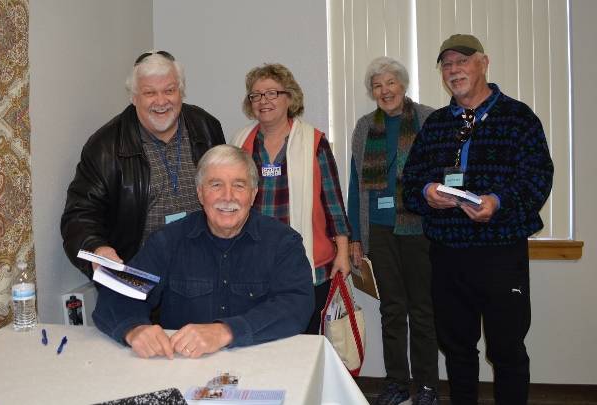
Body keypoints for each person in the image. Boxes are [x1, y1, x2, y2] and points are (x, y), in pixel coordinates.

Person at [402, 34, 554, 404]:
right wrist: (427, 194)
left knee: (507, 351)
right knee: (456, 350)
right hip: (447, 254)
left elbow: (537, 178)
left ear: (483, 63)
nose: (454, 71)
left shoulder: (518, 117)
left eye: (462, 62)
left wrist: (497, 202)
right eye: (447, 65)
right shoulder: (436, 124)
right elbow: (409, 184)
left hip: (500, 254)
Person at [92, 145, 315, 358]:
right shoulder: (167, 241)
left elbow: (297, 305)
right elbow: (116, 294)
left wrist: (226, 331)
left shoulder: (284, 242)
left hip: (263, 365)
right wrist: (134, 330)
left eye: (239, 185)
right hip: (185, 367)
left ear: (254, 193)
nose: (228, 197)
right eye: (215, 185)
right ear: (200, 193)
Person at [61, 50, 225, 278]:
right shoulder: (104, 147)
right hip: (140, 277)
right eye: (150, 93)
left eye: (169, 90)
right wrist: (97, 249)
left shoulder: (206, 128)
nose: (161, 101)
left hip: (205, 272)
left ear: (181, 92)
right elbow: (79, 216)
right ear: (134, 97)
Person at [232, 63, 351, 334]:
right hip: (252, 264)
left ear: (289, 97)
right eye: (256, 95)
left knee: (304, 343)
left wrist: (342, 252)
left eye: (272, 93)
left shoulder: (314, 141)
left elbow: (333, 201)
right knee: (258, 339)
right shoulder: (239, 142)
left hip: (307, 265)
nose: (264, 101)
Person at [348, 57, 439, 405]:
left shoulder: (428, 119)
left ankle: (427, 386)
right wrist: (356, 236)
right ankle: (397, 383)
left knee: (422, 310)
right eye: (377, 85)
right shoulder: (363, 127)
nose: (384, 90)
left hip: (420, 229)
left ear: (403, 85)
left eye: (390, 83)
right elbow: (356, 186)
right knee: (392, 311)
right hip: (380, 233)